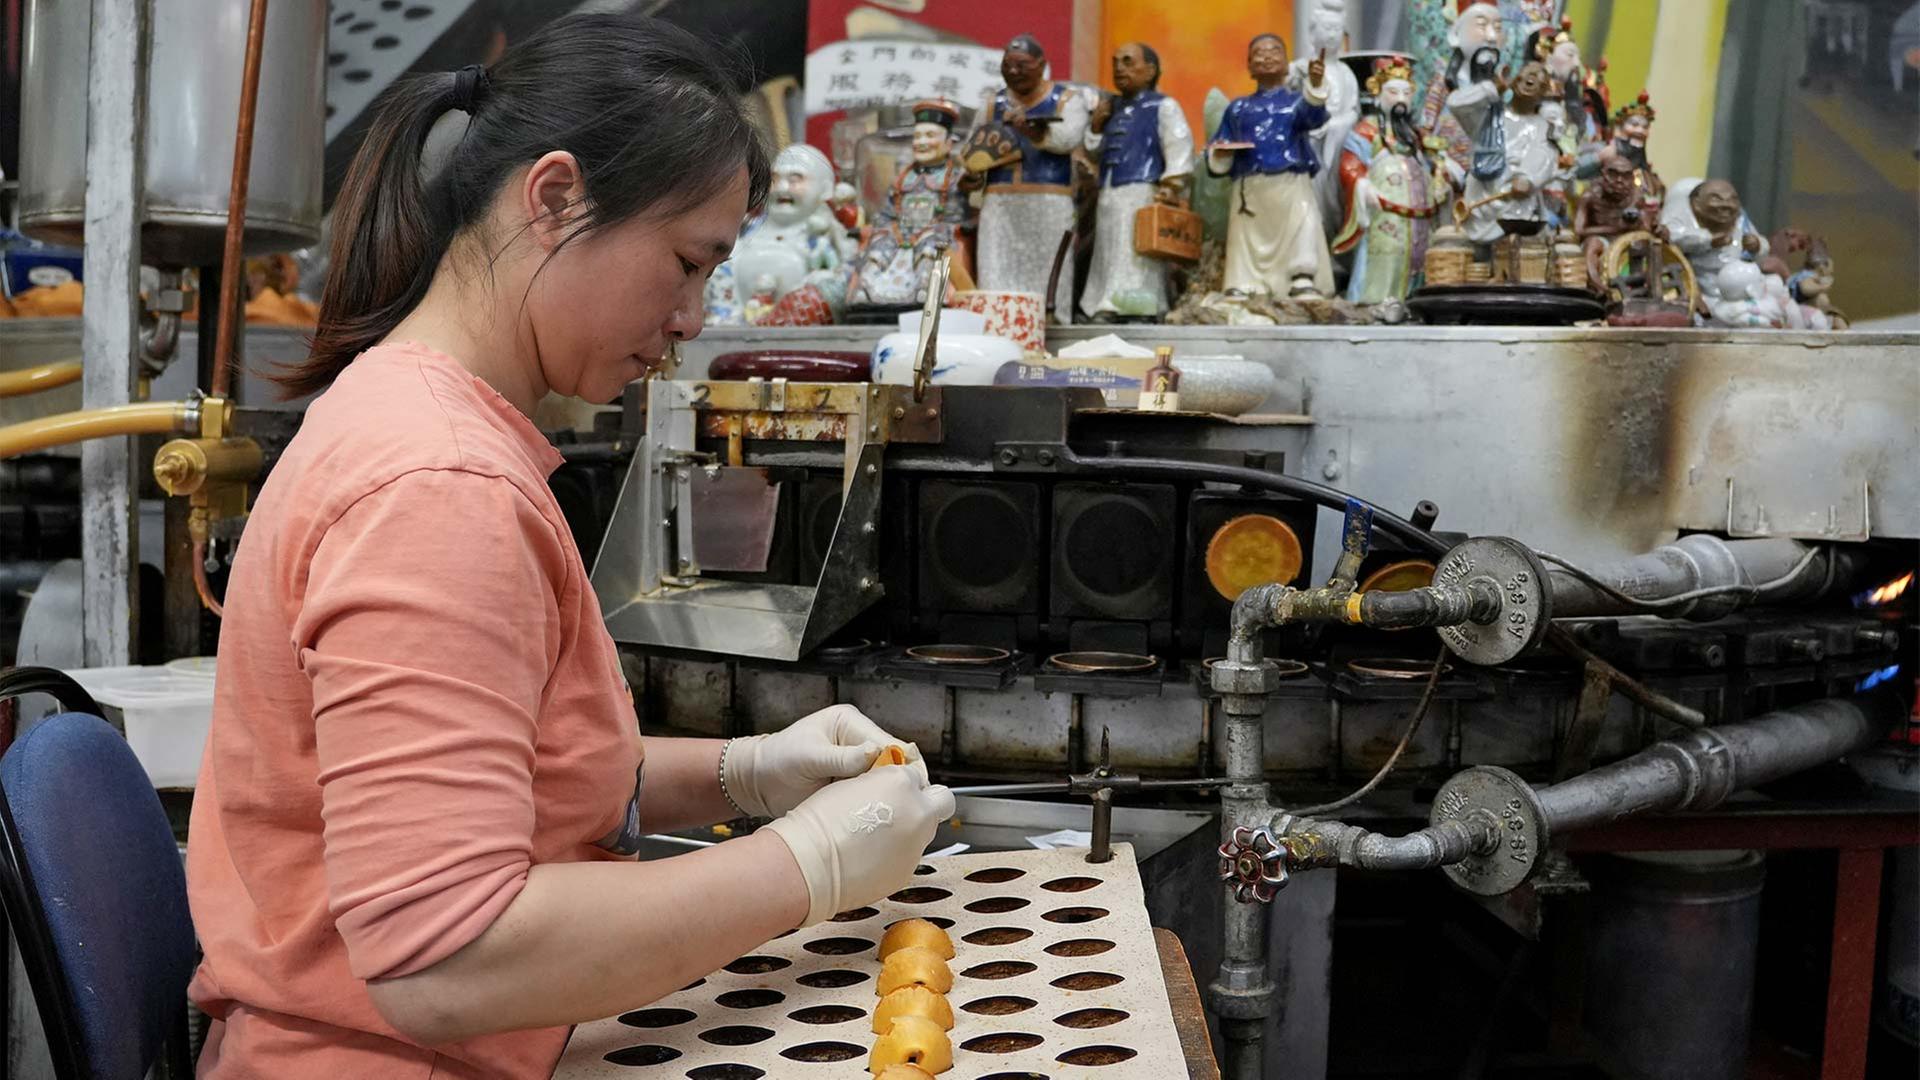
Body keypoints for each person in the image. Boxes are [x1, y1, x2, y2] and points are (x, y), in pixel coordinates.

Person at [186, 15, 953, 1078]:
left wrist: (739, 775)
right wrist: (805, 865)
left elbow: (492, 775)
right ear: (552, 198)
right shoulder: (437, 490)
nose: (693, 317)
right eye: (687, 263)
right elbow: (444, 958)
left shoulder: (428, 425)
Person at [1207, 34, 1336, 299]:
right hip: (1251, 184)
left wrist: (1315, 86)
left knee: (1302, 223)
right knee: (1245, 235)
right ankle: (1244, 282)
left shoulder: (1295, 103)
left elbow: (1314, 117)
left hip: (1290, 180)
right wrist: (1219, 153)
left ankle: (1301, 278)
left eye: (1275, 51)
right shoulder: (1237, 108)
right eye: (1258, 53)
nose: (1266, 56)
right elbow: (1220, 144)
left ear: (1287, 64)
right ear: (1249, 66)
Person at [973, 34, 1091, 321]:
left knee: (1049, 271)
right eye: (1007, 65)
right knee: (996, 270)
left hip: (1049, 201)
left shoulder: (1066, 101)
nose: (1013, 71)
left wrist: (1037, 132)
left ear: (1041, 65)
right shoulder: (991, 105)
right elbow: (971, 147)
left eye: (1022, 65)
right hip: (999, 206)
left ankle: (1052, 328)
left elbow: (1068, 138)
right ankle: (997, 328)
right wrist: (971, 176)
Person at [1081, 43, 1193, 321]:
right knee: (1109, 252)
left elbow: (1179, 145)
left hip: (1143, 189)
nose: (1120, 68)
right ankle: (1105, 303)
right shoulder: (1110, 107)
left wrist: (1172, 184)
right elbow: (1094, 153)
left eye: (1129, 62)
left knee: (1137, 254)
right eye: (1116, 62)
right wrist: (1096, 127)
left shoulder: (1163, 106)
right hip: (1110, 189)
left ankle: (1140, 307)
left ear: (1150, 70)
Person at [1332, 57, 1447, 303]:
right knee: (1385, 261)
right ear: (1378, 94)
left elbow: (1430, 164)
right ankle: (1371, 303)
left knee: (1418, 264)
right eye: (1393, 92)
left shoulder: (1414, 135)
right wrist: (1361, 183)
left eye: (1406, 93)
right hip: (1385, 216)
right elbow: (1350, 164)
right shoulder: (1367, 130)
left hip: (1419, 218)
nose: (1401, 99)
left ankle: (1412, 305)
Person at [848, 99, 969, 310]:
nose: (922, 142)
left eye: (930, 136)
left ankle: (926, 289)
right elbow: (887, 212)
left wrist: (940, 227)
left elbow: (956, 215)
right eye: (918, 136)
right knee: (877, 244)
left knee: (932, 245)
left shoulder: (953, 179)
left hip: (935, 231)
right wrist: (884, 227)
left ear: (949, 143)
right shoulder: (902, 179)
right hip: (900, 233)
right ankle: (866, 291)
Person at [1447, 60, 1571, 252]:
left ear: (1545, 91)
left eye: (1539, 78)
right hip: (1481, 201)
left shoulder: (1543, 127)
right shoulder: (1489, 116)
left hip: (1516, 206)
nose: (1531, 78)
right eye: (1526, 72)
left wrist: (1527, 179)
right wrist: (1491, 89)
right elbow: (1456, 104)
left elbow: (1544, 154)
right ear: (1514, 79)